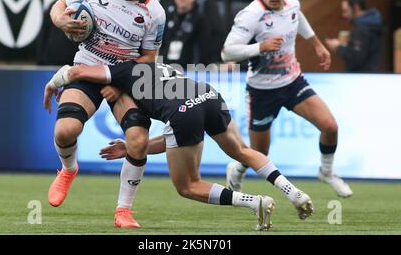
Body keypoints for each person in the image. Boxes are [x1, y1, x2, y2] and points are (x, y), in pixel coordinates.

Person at [43, 61, 315, 230]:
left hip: (183, 111)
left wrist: (53, 84)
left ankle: (254, 202)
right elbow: (172, 138)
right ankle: (293, 192)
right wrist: (131, 147)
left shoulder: (121, 70)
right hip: (207, 93)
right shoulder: (154, 66)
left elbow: (76, 71)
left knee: (187, 186)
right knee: (242, 151)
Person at [46, 0, 166, 229]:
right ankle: (68, 169)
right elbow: (58, 7)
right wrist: (61, 20)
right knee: (65, 131)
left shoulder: (155, 13)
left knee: (137, 142)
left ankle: (123, 210)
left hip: (123, 79)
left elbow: (149, 58)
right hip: (87, 68)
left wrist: (117, 78)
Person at [221, 0, 353, 198]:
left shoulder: (292, 3)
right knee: (260, 153)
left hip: (293, 82)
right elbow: (227, 53)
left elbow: (297, 17)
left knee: (330, 126)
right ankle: (238, 168)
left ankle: (326, 171)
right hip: (262, 91)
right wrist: (259, 47)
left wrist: (317, 44)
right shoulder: (251, 15)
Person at [37, 0, 85, 65]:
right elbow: (44, 32)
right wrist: (40, 59)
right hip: (56, 59)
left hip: (82, 60)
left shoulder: (90, 4)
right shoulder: (54, 5)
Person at [325, 0, 383, 72]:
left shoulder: (362, 29)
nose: (344, 15)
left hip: (361, 77)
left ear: (356, 8)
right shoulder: (371, 25)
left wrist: (338, 47)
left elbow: (357, 58)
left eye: (345, 11)